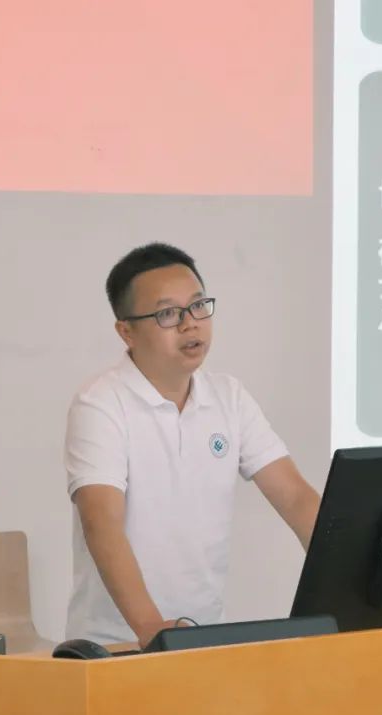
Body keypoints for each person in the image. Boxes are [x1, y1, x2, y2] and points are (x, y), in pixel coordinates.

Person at [64, 242, 321, 648]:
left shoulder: (228, 397)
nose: (190, 324)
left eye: (199, 306)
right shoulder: (100, 404)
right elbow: (102, 525)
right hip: (116, 644)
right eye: (168, 314)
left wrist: (359, 578)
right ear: (126, 331)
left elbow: (296, 499)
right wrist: (153, 631)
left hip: (204, 637)